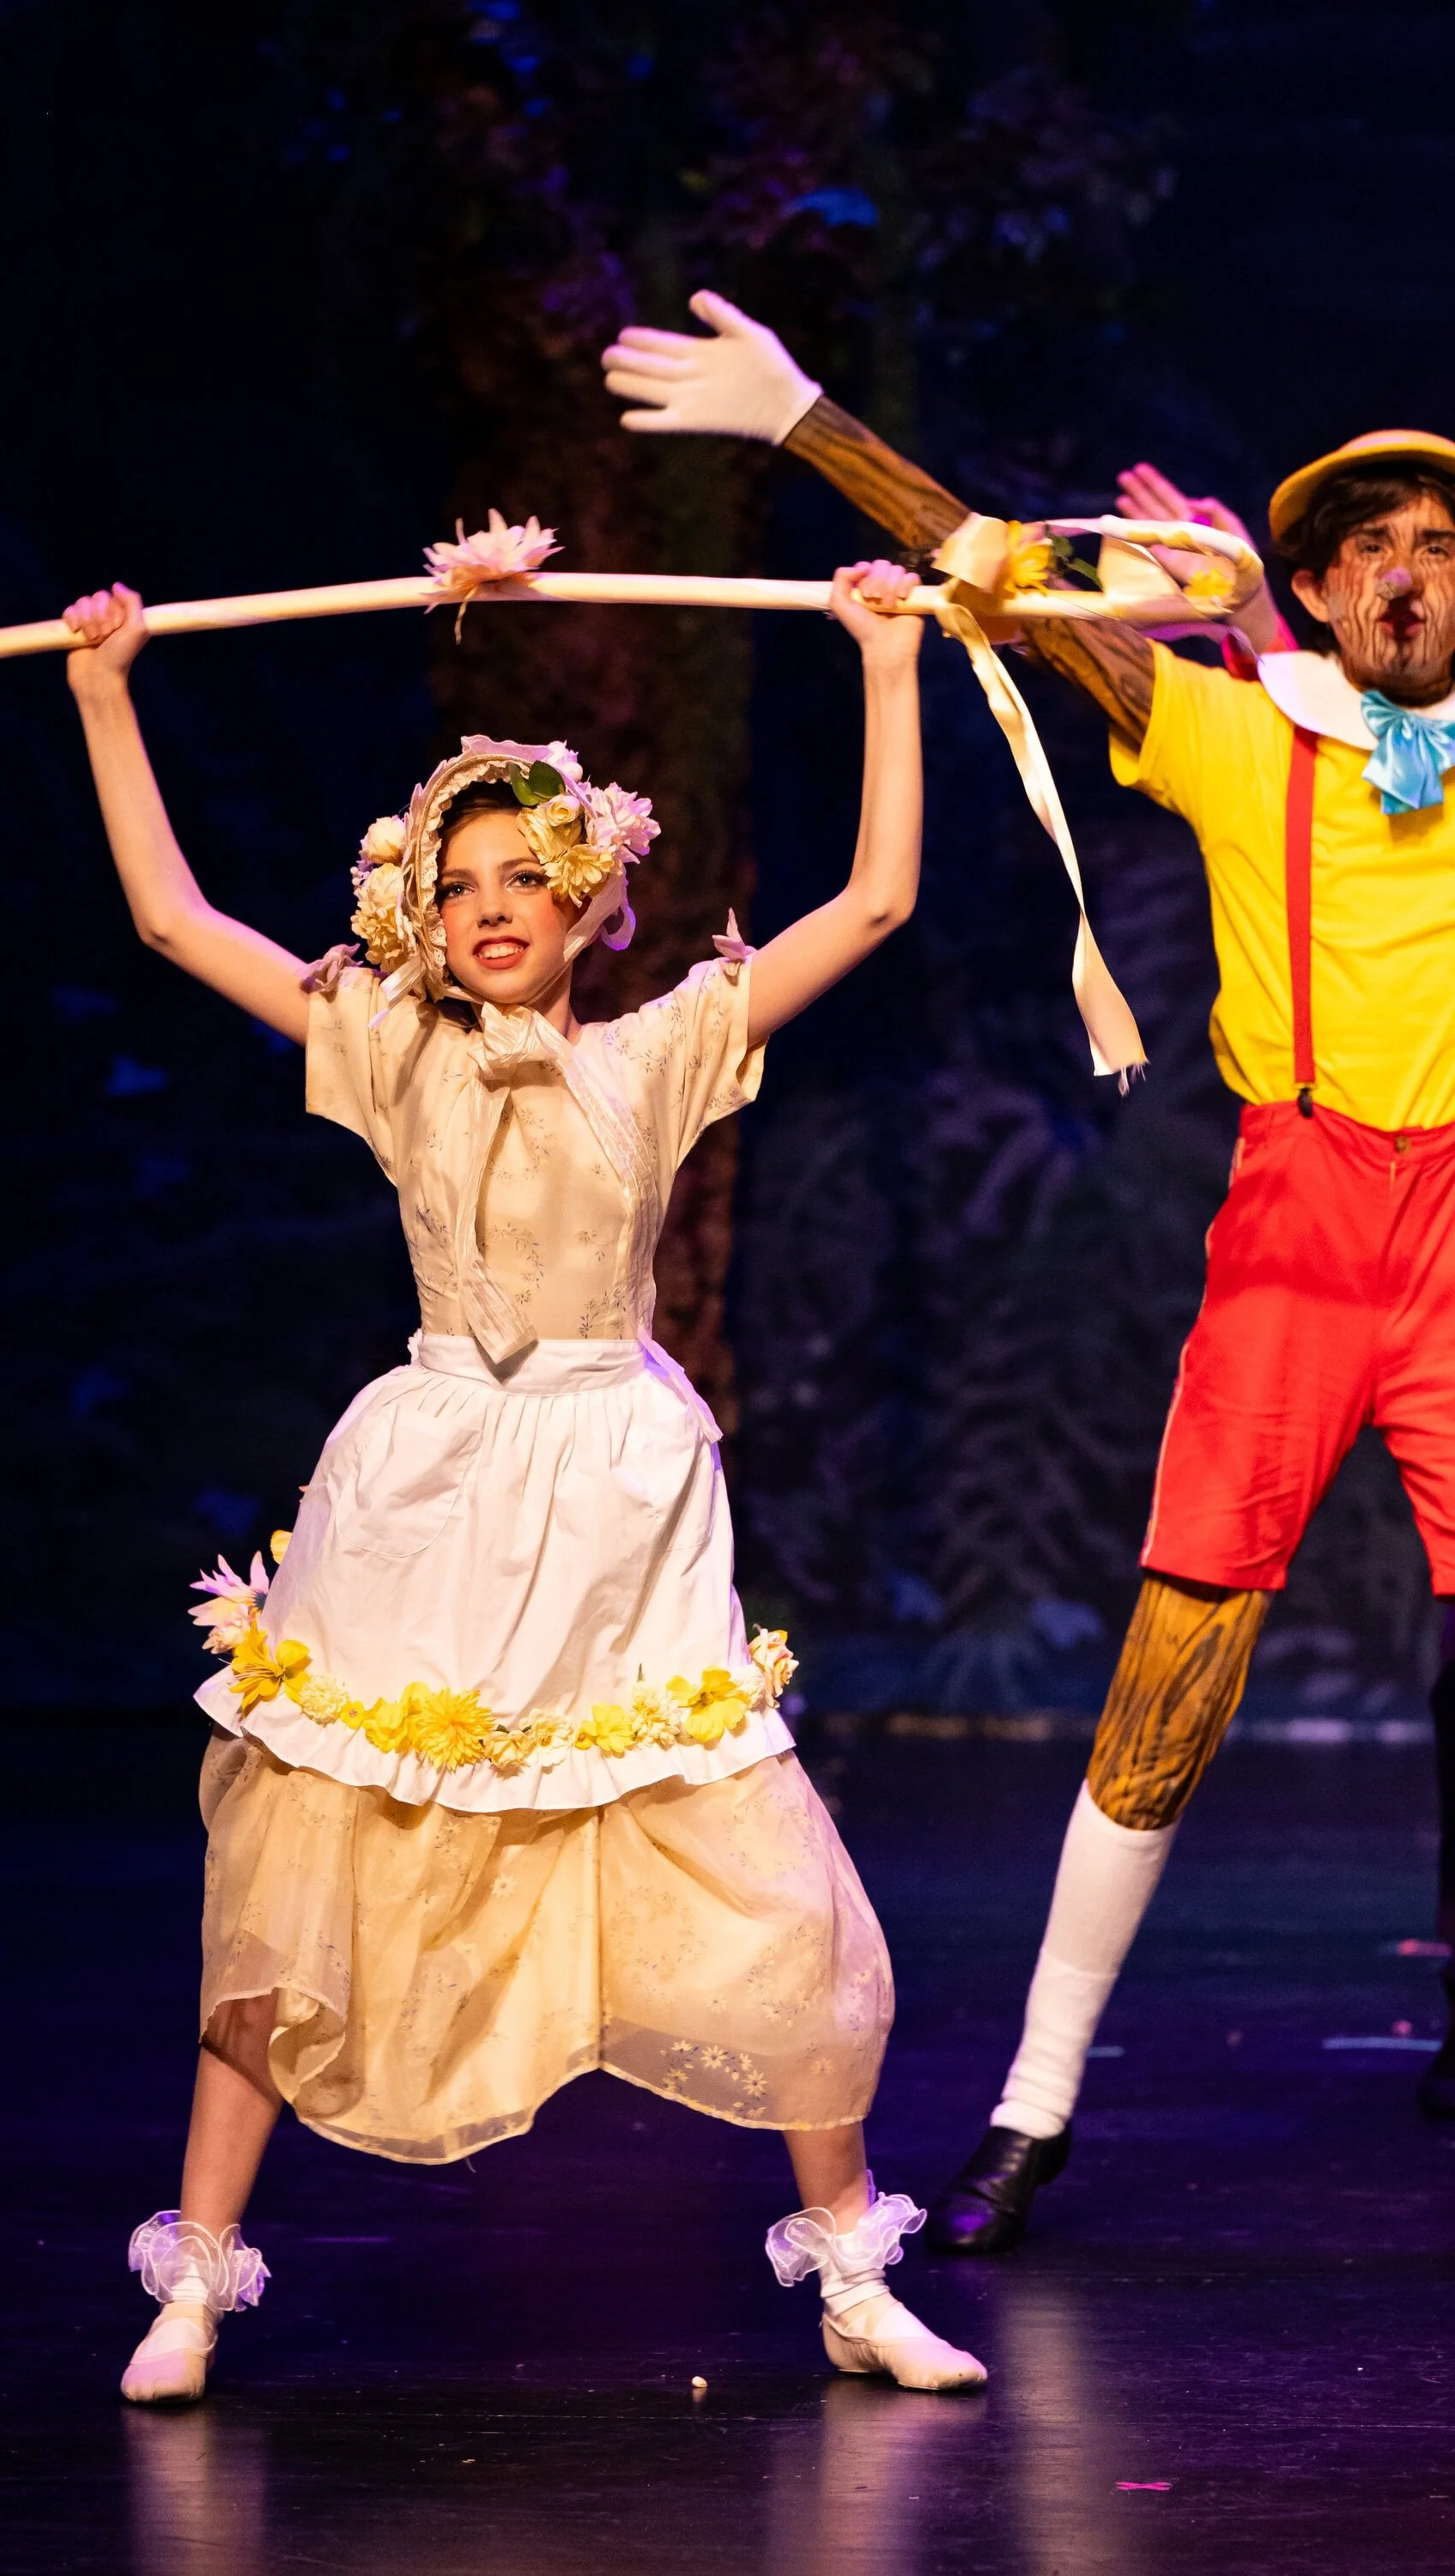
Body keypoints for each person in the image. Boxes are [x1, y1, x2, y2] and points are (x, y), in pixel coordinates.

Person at [61, 558, 988, 2400]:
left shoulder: (657, 1055)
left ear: (589, 900)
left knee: (755, 1876)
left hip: (620, 1493)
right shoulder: (387, 1048)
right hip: (422, 1485)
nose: (486, 909)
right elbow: (174, 922)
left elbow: (877, 899)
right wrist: (108, 685)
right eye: (454, 883)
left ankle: (850, 2274)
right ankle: (198, 2276)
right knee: (310, 1868)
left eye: (520, 880)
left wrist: (888, 662)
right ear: (416, 912)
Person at [603, 294, 1455, 2244]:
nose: (1409, 576)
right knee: (1172, 1668)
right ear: (1315, 596)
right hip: (1304, 1229)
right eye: (1372, 552)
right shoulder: (1237, 742)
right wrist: (805, 418)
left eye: (1441, 546)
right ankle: (1035, 2101)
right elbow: (993, 572)